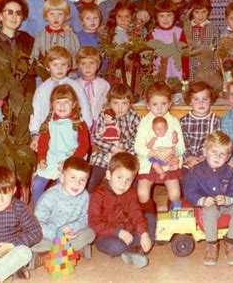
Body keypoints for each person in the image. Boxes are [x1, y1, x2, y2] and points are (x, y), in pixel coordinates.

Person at [184, 131, 233, 266]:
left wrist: (228, 199)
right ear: (205, 152)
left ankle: (231, 242)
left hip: (225, 205)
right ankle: (212, 245)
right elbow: (189, 191)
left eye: (222, 154)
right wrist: (202, 200)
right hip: (207, 206)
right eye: (214, 152)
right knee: (209, 210)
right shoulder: (195, 171)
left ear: (228, 157)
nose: (217, 156)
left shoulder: (230, 172)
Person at [89, 152, 155, 269]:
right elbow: (94, 223)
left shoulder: (130, 193)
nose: (123, 184)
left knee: (149, 221)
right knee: (116, 247)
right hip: (107, 236)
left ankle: (135, 250)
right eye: (119, 177)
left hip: (130, 231)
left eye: (128, 180)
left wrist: (143, 233)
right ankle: (136, 250)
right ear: (108, 175)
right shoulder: (97, 195)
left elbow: (136, 213)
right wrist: (117, 232)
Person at [30, 156, 95, 269]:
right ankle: (70, 250)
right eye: (73, 178)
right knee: (32, 240)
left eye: (82, 180)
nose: (77, 184)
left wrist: (71, 228)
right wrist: (57, 236)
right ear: (62, 178)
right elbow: (36, 224)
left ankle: (52, 253)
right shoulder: (50, 196)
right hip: (48, 234)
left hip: (69, 233)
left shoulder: (85, 196)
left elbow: (84, 220)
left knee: (90, 233)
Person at [31, 84, 90, 205]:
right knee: (36, 184)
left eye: (66, 102)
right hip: (52, 158)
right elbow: (43, 143)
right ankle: (40, 211)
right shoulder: (49, 122)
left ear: (73, 104)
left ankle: (60, 212)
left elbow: (84, 146)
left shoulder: (79, 123)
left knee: (61, 186)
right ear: (52, 105)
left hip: (73, 159)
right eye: (58, 102)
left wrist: (69, 162)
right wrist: (41, 158)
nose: (62, 106)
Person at [29, 46, 92, 151]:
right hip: (49, 135)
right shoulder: (42, 89)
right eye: (55, 65)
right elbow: (37, 113)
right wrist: (36, 135)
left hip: (71, 133)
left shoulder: (75, 86)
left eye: (63, 64)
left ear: (68, 66)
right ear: (48, 67)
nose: (59, 69)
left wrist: (85, 129)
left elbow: (85, 107)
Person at [135, 82, 185, 211]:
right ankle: (149, 213)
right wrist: (152, 153)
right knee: (142, 194)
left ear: (169, 104)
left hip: (169, 163)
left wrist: (172, 150)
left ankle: (173, 211)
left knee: (175, 194)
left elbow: (181, 147)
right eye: (155, 104)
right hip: (149, 163)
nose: (159, 108)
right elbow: (138, 147)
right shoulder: (144, 122)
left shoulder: (174, 122)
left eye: (163, 104)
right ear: (148, 105)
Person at [88, 83, 141, 191]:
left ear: (130, 103)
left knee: (136, 184)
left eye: (124, 103)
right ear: (109, 103)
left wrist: (125, 153)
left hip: (127, 154)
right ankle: (87, 201)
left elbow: (138, 140)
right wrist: (112, 148)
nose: (120, 108)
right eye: (116, 103)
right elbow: (97, 137)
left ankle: (131, 204)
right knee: (91, 180)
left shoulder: (135, 117)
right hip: (106, 153)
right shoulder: (104, 114)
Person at [0, 0, 35, 94]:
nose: (14, 16)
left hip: (26, 98)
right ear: (0, 15)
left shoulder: (28, 39)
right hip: (0, 99)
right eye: (10, 12)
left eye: (18, 13)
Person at [180, 81, 221, 179]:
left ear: (211, 100)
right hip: (188, 162)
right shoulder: (184, 121)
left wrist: (200, 159)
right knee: (188, 181)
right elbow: (182, 142)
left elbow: (215, 143)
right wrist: (189, 157)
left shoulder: (215, 120)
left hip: (207, 161)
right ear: (190, 102)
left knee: (211, 179)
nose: (201, 103)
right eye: (196, 99)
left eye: (205, 99)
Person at [29, 0, 81, 69]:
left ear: (65, 16)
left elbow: (77, 55)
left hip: (68, 74)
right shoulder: (40, 35)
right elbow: (34, 57)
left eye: (60, 14)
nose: (56, 17)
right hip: (45, 75)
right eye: (52, 14)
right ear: (46, 16)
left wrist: (72, 67)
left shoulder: (71, 35)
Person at [148, 0, 189, 80]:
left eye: (169, 15)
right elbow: (148, 56)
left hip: (176, 69)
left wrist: (185, 71)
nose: (165, 19)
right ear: (156, 17)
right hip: (158, 70)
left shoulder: (179, 32)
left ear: (174, 17)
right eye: (162, 16)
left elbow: (185, 54)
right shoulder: (152, 33)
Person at [187, 0, 220, 81]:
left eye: (203, 12)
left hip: (210, 66)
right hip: (193, 66)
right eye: (196, 12)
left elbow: (216, 48)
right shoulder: (187, 28)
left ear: (208, 11)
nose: (200, 16)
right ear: (191, 12)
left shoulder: (213, 28)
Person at [77, 46, 110, 128]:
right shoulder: (75, 84)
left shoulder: (104, 84)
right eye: (83, 63)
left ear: (98, 65)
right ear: (78, 65)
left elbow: (108, 104)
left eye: (91, 63)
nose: (88, 67)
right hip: (80, 122)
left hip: (99, 122)